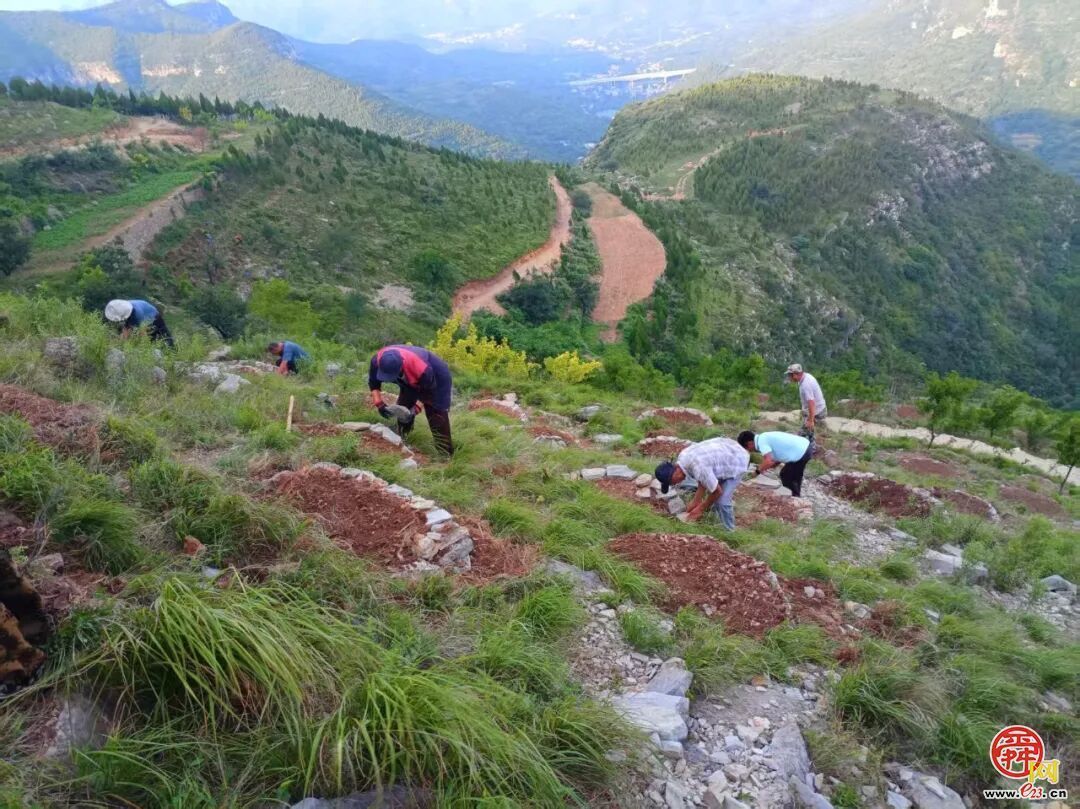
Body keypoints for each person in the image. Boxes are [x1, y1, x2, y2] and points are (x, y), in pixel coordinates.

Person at [368, 345, 454, 456]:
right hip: (411, 375)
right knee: (403, 409)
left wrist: (416, 408)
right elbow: (373, 382)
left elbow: (428, 392)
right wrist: (379, 403)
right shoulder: (377, 361)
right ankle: (402, 440)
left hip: (437, 376)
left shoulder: (422, 368)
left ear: (401, 367)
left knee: (436, 413)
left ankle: (445, 453)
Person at [654, 437, 749, 531]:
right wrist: (696, 500)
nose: (674, 484)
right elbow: (702, 478)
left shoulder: (698, 468)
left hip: (737, 459)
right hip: (726, 447)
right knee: (710, 488)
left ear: (675, 473)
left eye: (672, 482)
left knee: (722, 501)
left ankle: (730, 531)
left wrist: (700, 509)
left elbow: (717, 491)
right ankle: (715, 514)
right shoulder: (682, 459)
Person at [738, 429, 812, 497]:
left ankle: (793, 498)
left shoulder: (761, 442)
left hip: (801, 452)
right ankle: (795, 495)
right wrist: (773, 464)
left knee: (786, 475)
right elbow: (779, 452)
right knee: (794, 475)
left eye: (747, 448)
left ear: (749, 443)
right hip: (804, 446)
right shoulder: (764, 437)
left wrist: (756, 472)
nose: (749, 451)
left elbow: (768, 461)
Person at [104, 299, 174, 347]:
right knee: (126, 336)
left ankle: (172, 352)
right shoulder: (122, 309)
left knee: (164, 339)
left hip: (153, 317)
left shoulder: (137, 314)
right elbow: (125, 331)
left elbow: (143, 334)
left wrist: (144, 348)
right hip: (139, 310)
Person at [785, 364, 827, 439]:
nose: (789, 377)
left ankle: (811, 448)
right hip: (815, 410)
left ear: (795, 374)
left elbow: (811, 403)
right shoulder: (804, 378)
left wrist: (811, 420)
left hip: (817, 411)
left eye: (790, 375)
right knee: (807, 434)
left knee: (803, 436)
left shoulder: (806, 384)